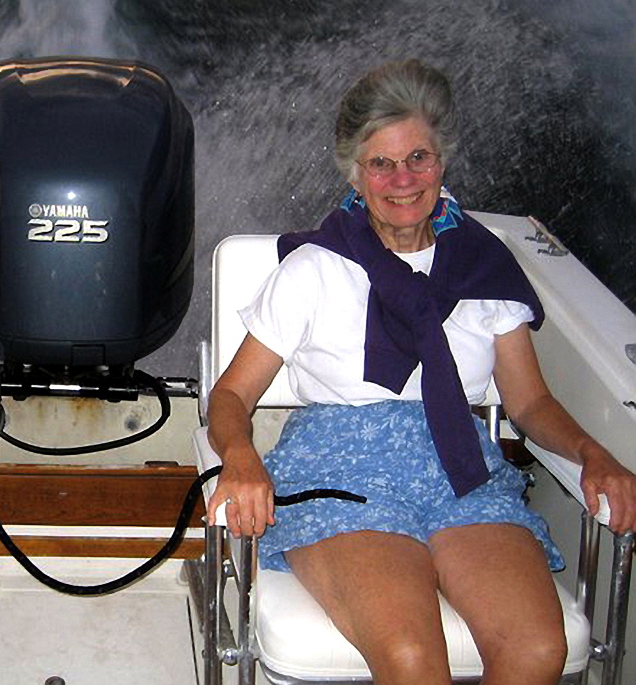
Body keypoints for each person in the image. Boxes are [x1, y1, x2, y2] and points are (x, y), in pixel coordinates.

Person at [206, 59, 636, 685]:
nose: (402, 180)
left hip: (459, 465)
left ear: (443, 161)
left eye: (419, 158)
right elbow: (232, 393)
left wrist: (593, 453)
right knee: (413, 660)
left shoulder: (484, 264)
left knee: (537, 650)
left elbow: (530, 403)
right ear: (355, 172)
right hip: (341, 469)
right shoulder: (316, 269)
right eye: (381, 163)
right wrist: (242, 457)